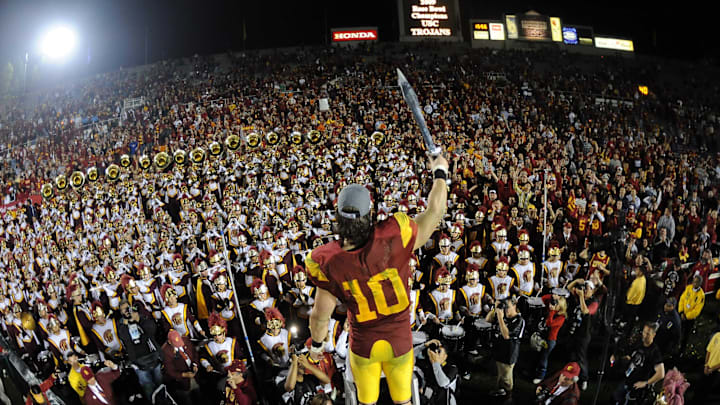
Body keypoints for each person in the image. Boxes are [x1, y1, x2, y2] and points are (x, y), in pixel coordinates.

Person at [306, 151, 449, 405]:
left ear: (337, 218)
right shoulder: (395, 235)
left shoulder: (329, 260)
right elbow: (435, 210)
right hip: (399, 340)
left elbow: (319, 318)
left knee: (366, 401)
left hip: (363, 345)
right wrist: (440, 172)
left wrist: (317, 348)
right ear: (369, 213)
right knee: (404, 400)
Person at [116, 298, 163, 402]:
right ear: (120, 312)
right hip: (139, 362)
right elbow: (124, 337)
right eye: (123, 310)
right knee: (148, 388)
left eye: (127, 308)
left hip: (153, 357)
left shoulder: (140, 317)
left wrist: (138, 319)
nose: (126, 311)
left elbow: (152, 329)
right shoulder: (121, 324)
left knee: (161, 386)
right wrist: (126, 323)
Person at [610, 322, 665, 405]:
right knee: (615, 398)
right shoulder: (639, 343)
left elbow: (661, 373)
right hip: (627, 380)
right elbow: (631, 356)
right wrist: (618, 358)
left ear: (654, 335)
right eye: (644, 332)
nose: (645, 335)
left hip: (637, 387)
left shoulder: (654, 351)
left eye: (648, 333)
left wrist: (646, 383)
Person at [485, 296, 525, 398]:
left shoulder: (519, 320)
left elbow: (506, 335)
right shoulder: (502, 315)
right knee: (498, 375)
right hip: (498, 349)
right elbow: (487, 320)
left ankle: (508, 396)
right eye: (504, 307)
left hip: (508, 353)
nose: (505, 309)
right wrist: (495, 308)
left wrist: (500, 317)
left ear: (514, 305)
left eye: (508, 306)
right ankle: (499, 390)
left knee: (507, 378)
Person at [533, 294, 568, 384]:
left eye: (556, 303)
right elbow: (544, 298)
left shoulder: (561, 317)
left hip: (550, 340)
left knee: (544, 358)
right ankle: (535, 372)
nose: (553, 305)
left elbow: (549, 324)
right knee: (538, 355)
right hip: (543, 336)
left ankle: (540, 377)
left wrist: (551, 311)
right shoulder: (553, 310)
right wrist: (553, 296)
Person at [162, 329, 201, 405]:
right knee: (187, 399)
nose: (180, 345)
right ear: (170, 342)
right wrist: (184, 375)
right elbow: (169, 371)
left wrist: (195, 364)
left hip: (195, 376)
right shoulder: (165, 351)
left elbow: (194, 353)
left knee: (198, 395)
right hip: (182, 382)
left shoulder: (185, 339)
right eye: (177, 344)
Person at [678, 274, 705, 354]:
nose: (694, 283)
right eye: (693, 281)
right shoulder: (688, 288)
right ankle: (676, 344)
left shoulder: (701, 295)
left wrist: (686, 316)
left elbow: (697, 311)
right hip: (682, 314)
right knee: (679, 330)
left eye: (696, 282)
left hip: (689, 319)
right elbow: (682, 299)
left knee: (686, 334)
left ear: (700, 284)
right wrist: (681, 311)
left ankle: (682, 349)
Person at [692, 329, 720, 404]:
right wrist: (706, 365)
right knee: (698, 388)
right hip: (707, 368)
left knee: (706, 392)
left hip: (716, 372)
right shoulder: (717, 335)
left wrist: (712, 369)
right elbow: (709, 350)